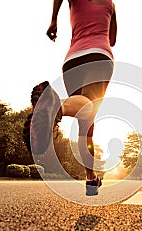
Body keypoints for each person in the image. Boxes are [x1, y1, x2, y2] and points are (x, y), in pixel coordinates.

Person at [25, 0, 117, 196]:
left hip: (73, 59)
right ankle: (57, 107)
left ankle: (91, 179)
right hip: (100, 55)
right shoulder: (110, 4)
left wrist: (53, 20)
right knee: (88, 110)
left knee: (85, 121)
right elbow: (113, 39)